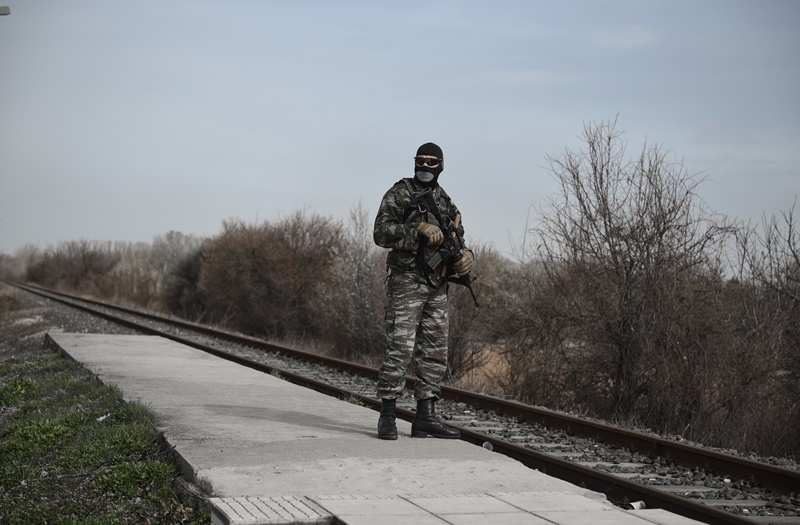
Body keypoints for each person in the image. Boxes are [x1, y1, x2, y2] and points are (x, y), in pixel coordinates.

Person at [373, 142, 474, 440]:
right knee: (400, 348)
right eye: (421, 160)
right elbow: (380, 231)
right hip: (406, 281)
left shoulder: (446, 202)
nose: (426, 166)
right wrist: (415, 230)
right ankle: (388, 415)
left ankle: (425, 416)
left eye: (432, 162)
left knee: (434, 352)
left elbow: (458, 238)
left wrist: (466, 257)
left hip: (437, 285)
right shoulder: (400, 192)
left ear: (441, 165)